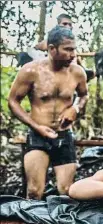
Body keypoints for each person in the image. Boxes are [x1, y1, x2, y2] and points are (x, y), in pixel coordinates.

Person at [8, 26, 88, 200]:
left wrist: (75, 108)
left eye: (74, 49)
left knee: (66, 191)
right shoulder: (31, 71)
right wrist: (36, 127)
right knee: (34, 191)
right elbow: (13, 101)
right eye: (67, 49)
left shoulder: (77, 73)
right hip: (38, 136)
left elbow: (83, 96)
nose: (73, 54)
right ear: (52, 49)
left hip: (64, 136)